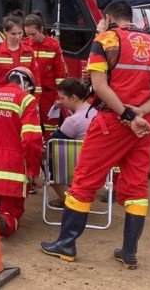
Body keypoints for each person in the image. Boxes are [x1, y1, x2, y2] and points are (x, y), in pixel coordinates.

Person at [40, 1, 150, 269]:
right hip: (144, 123)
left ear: (109, 17)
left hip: (113, 122)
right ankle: (129, 253)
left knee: (85, 181)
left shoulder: (106, 40)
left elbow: (99, 87)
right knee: (136, 186)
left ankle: (66, 244)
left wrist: (127, 116)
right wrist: (140, 114)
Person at [0, 67, 43, 237]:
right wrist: (34, 171)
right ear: (26, 83)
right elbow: (31, 139)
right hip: (12, 166)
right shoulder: (27, 99)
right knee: (11, 213)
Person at [46, 78, 98, 207]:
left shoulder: (73, 121)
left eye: (63, 98)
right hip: (96, 166)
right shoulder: (97, 112)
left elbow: (51, 144)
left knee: (48, 161)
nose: (60, 102)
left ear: (73, 97)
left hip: (76, 168)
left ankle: (67, 198)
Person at [23, 11, 67, 131]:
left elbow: (60, 74)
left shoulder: (54, 45)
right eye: (28, 34)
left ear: (41, 29)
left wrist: (59, 96)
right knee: (29, 128)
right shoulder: (24, 45)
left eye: (33, 34)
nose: (31, 38)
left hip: (49, 95)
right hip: (29, 95)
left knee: (50, 128)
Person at [0, 11, 41, 95]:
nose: (17, 37)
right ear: (5, 32)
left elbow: (35, 78)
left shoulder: (29, 51)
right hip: (1, 98)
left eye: (20, 33)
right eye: (13, 34)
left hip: (23, 98)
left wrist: (35, 101)